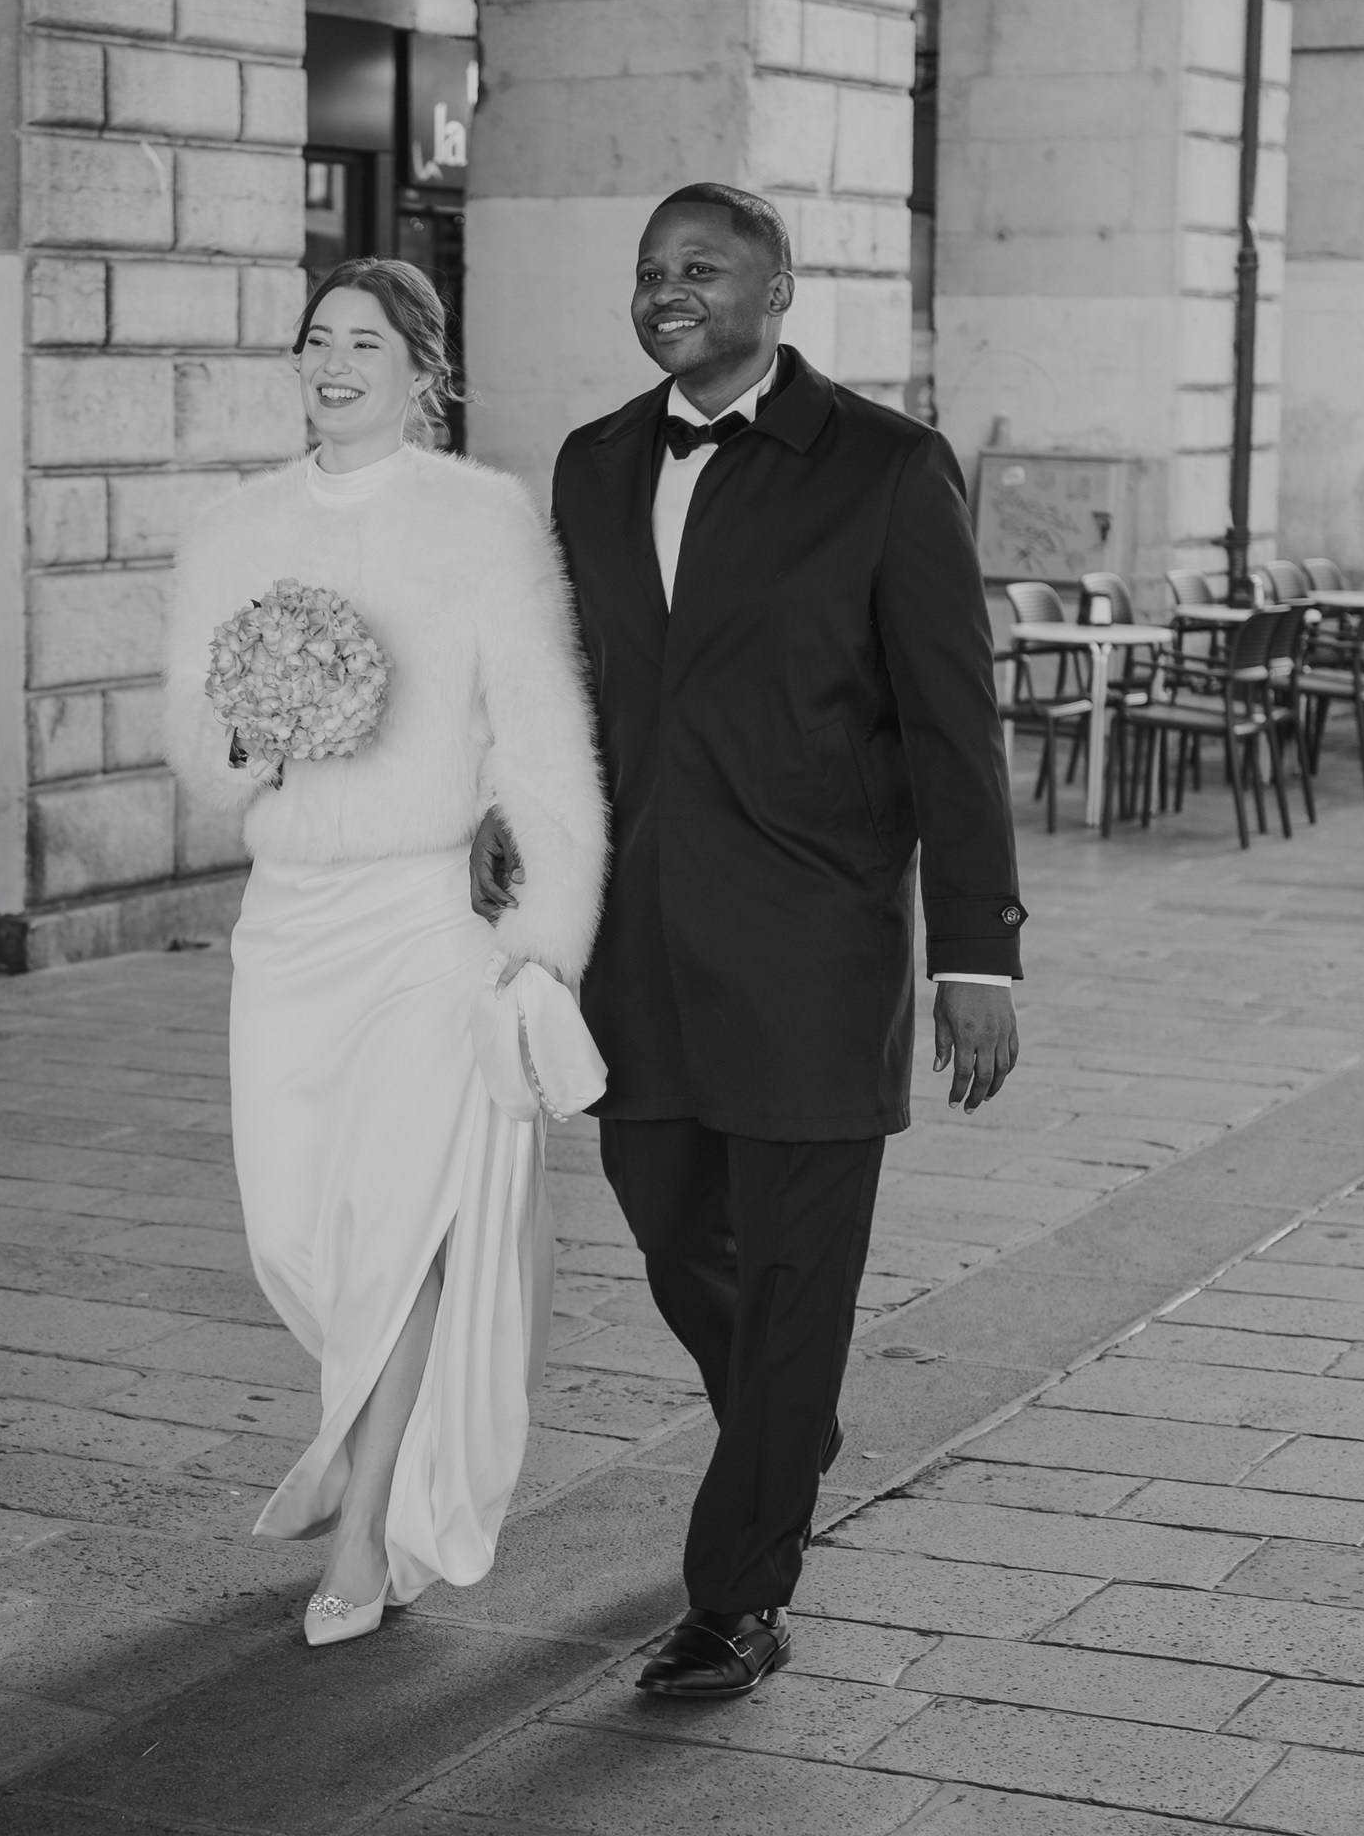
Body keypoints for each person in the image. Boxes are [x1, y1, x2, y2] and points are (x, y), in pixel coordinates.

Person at [473, 183, 1024, 1699]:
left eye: (703, 268)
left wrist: (975, 952)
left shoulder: (888, 468)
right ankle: (791, 1417)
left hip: (815, 950)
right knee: (670, 1229)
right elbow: (563, 685)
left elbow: (954, 726)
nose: (668, 290)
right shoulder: (594, 462)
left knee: (794, 1278)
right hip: (639, 946)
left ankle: (738, 1595)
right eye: (651, 269)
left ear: (777, 292)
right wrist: (501, 803)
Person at [165, 259, 606, 1648]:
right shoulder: (233, 528)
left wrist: (540, 936)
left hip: (426, 917)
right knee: (295, 1230)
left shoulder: (482, 519)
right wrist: (260, 722)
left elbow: (539, 728)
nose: (334, 363)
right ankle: (366, 1446)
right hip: (292, 916)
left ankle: (365, 1532)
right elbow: (196, 746)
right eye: (317, 340)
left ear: (423, 371)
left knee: (405, 1221)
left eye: (366, 342)